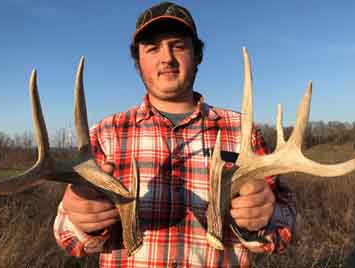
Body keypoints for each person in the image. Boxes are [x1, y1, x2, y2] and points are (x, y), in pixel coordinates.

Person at [53, 2, 296, 267]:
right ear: (138, 62)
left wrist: (265, 216)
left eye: (178, 45)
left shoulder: (242, 131)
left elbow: (283, 228)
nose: (166, 57)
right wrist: (82, 220)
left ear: (197, 55)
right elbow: (67, 236)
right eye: (153, 48)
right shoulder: (105, 134)